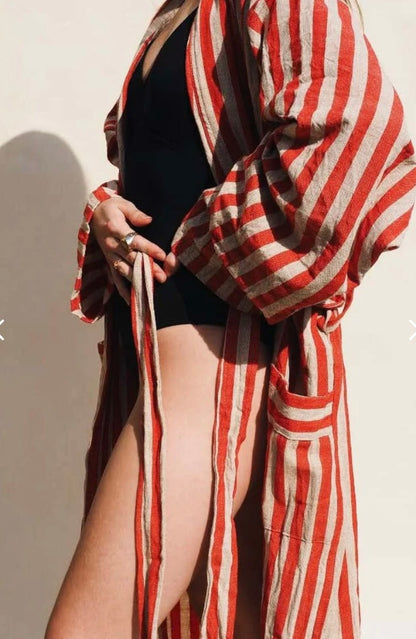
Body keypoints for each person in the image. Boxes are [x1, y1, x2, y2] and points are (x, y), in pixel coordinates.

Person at [45, 0, 416, 638]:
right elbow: (171, 166)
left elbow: (358, 129)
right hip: (169, 370)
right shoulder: (175, 13)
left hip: (208, 380)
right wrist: (112, 213)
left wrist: (212, 240)